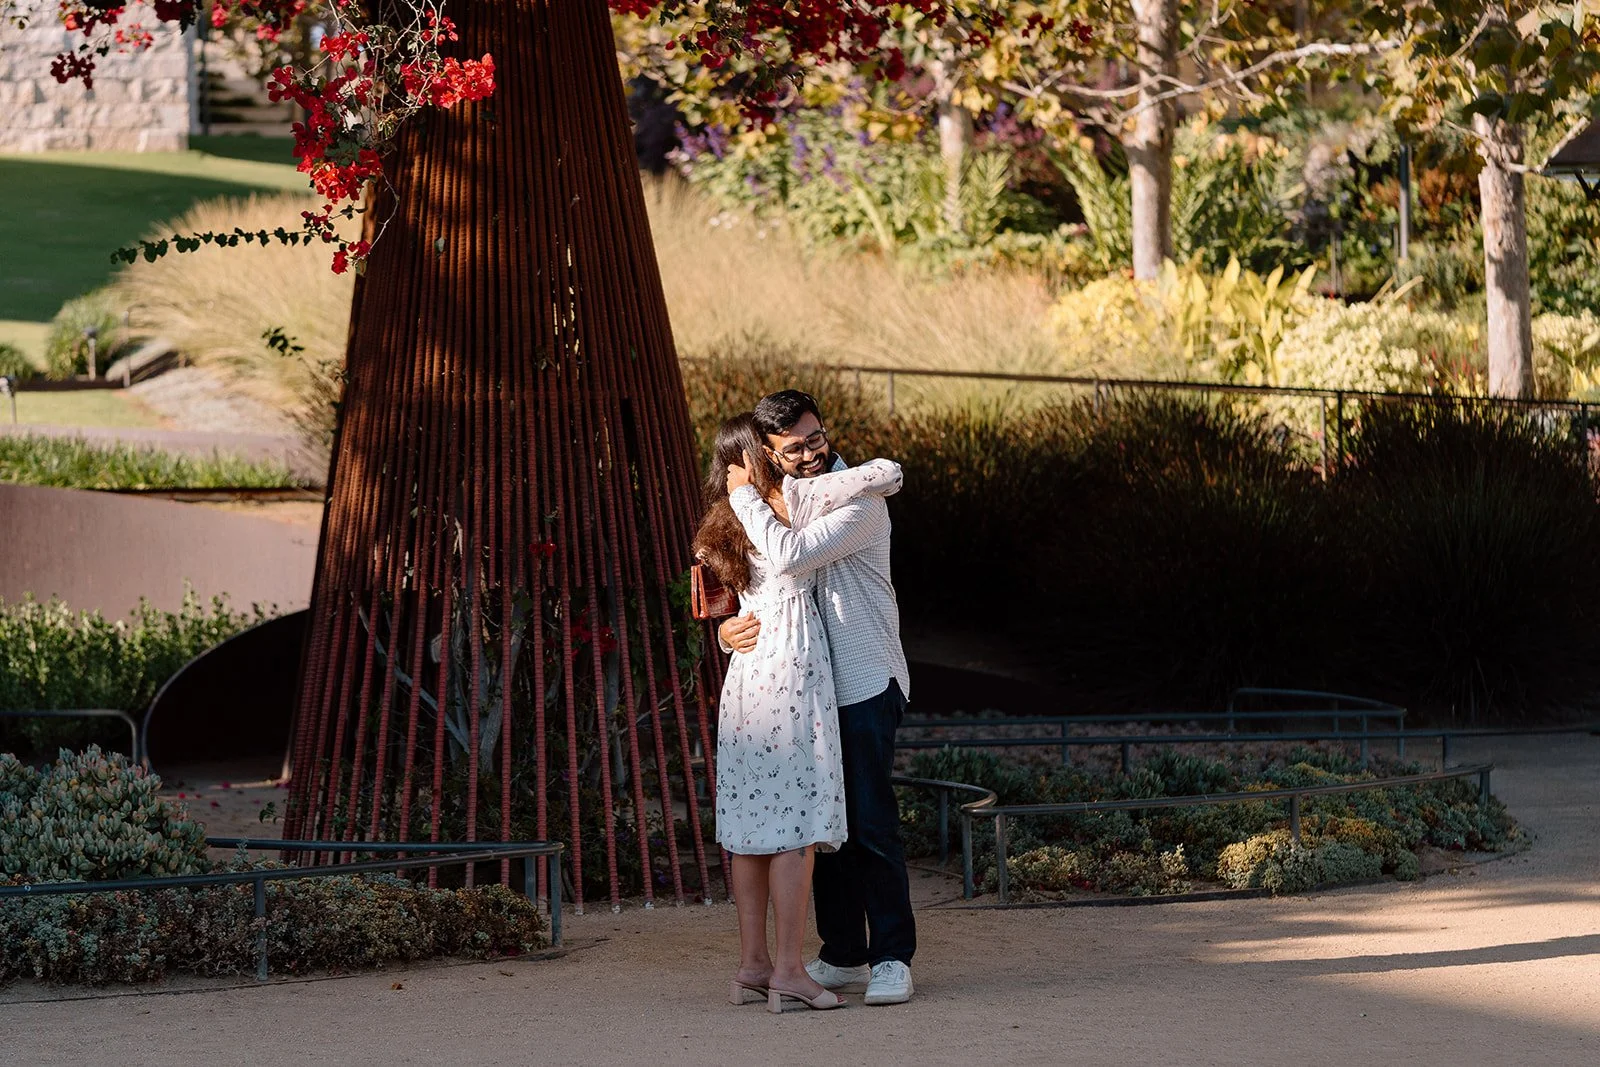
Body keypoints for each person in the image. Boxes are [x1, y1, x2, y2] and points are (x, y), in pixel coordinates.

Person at [693, 413, 903, 1014]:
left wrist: (884, 472)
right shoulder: (757, 515)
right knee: (801, 825)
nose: (801, 457)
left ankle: (864, 957)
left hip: (831, 677)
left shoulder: (831, 505)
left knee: (806, 824)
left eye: (812, 442)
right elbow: (732, 597)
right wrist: (726, 631)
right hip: (793, 676)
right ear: (763, 455)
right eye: (784, 450)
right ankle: (798, 963)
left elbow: (875, 481)